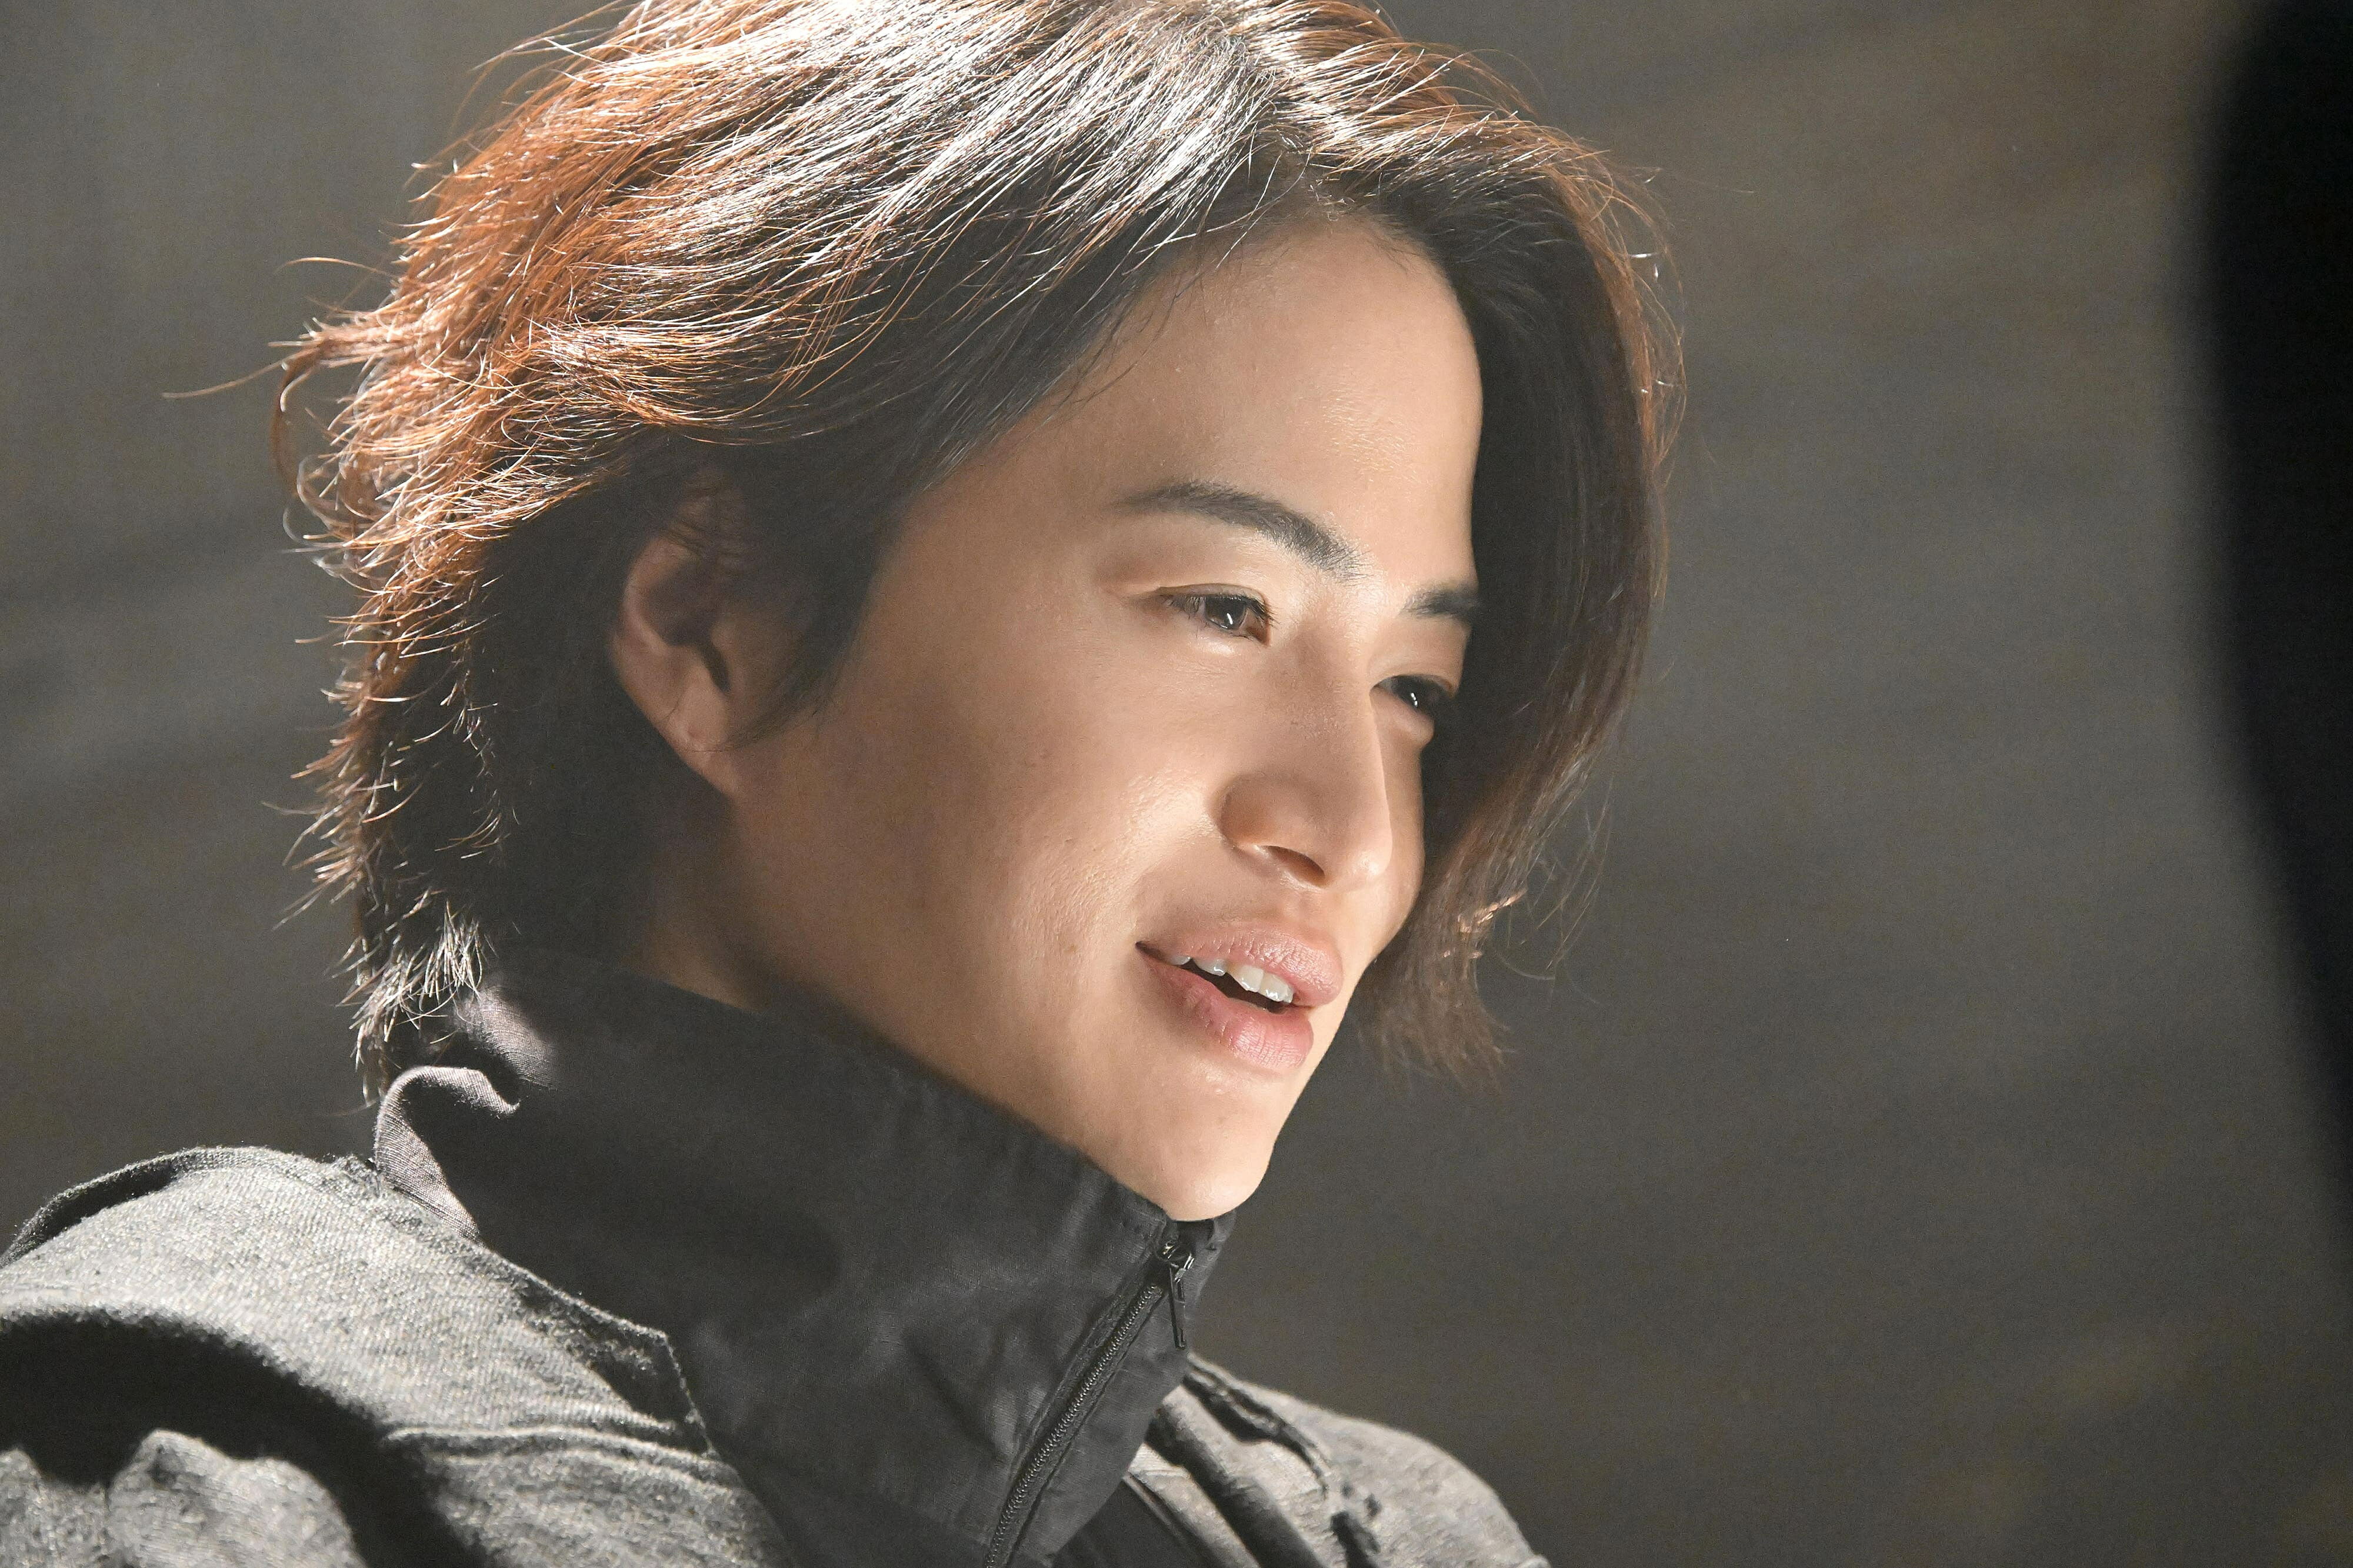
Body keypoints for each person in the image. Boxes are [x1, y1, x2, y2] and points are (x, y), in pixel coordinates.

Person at [0, 1, 1673, 1563]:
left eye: (1415, 690)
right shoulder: (186, 1494)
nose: (1353, 832)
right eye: (1224, 607)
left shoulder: (1376, 1540)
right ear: (713, 621)